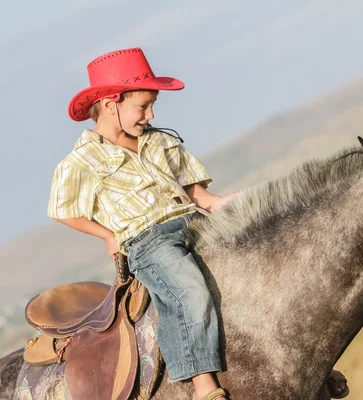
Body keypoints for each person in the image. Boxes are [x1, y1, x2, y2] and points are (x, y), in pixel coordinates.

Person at [48, 47, 234, 400]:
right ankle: (203, 385)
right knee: (188, 291)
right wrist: (107, 235)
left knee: (258, 251)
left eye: (152, 105)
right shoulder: (80, 161)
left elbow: (196, 193)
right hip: (149, 241)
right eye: (143, 106)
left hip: (192, 221)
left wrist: (223, 204)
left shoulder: (161, 141)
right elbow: (63, 209)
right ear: (109, 103)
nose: (150, 114)